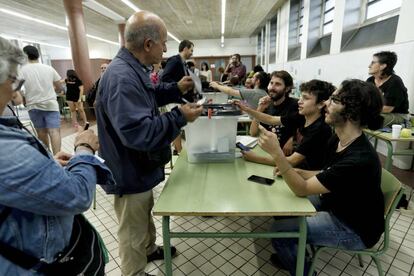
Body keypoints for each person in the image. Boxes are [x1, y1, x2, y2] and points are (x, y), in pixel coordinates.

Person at [95, 11, 203, 276]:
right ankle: (134, 271)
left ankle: (149, 247)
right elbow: (138, 133)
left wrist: (175, 88)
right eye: (164, 42)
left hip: (139, 166)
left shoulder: (133, 69)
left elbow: (148, 96)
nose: (166, 49)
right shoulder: (122, 77)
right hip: (128, 168)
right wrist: (179, 116)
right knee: (132, 228)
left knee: (144, 211)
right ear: (148, 44)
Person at [0, 36, 115, 275]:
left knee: (45, 133)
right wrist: (85, 149)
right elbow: (76, 195)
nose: (15, 94)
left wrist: (44, 165)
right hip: (35, 263)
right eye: (13, 81)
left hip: (23, 249)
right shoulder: (5, 148)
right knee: (53, 132)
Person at [259, 79, 385, 275]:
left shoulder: (359, 158)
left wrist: (277, 154)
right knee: (283, 204)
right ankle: (296, 254)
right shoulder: (338, 138)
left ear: (351, 111)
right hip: (335, 204)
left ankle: (305, 270)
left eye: (334, 99)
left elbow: (303, 188)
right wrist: (300, 172)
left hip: (353, 228)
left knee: (280, 230)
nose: (326, 103)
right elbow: (329, 174)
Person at [236, 79, 335, 170]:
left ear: (321, 104)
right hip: (296, 169)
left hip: (306, 175)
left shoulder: (320, 129)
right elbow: (271, 119)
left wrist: (255, 158)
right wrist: (246, 109)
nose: (299, 101)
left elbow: (292, 161)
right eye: (300, 96)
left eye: (305, 98)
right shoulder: (302, 116)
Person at [20, 45, 63, 154]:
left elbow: (18, 90)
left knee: (41, 132)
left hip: (33, 105)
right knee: (55, 131)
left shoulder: (22, 70)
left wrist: (25, 97)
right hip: (51, 105)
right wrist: (53, 90)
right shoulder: (49, 68)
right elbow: (60, 87)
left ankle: (47, 157)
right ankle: (58, 157)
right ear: (38, 55)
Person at [250, 70, 299, 156]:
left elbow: (303, 127)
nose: (272, 87)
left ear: (287, 88)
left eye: (278, 84)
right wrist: (260, 109)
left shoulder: (295, 105)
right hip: (268, 151)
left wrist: (292, 139)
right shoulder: (266, 105)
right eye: (271, 83)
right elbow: (253, 132)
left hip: (287, 154)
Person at [366, 51, 409, 127]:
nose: (369, 66)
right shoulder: (370, 80)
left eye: (373, 63)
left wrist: (365, 110)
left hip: (397, 115)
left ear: (383, 66)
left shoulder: (395, 82)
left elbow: (387, 109)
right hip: (376, 112)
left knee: (365, 120)